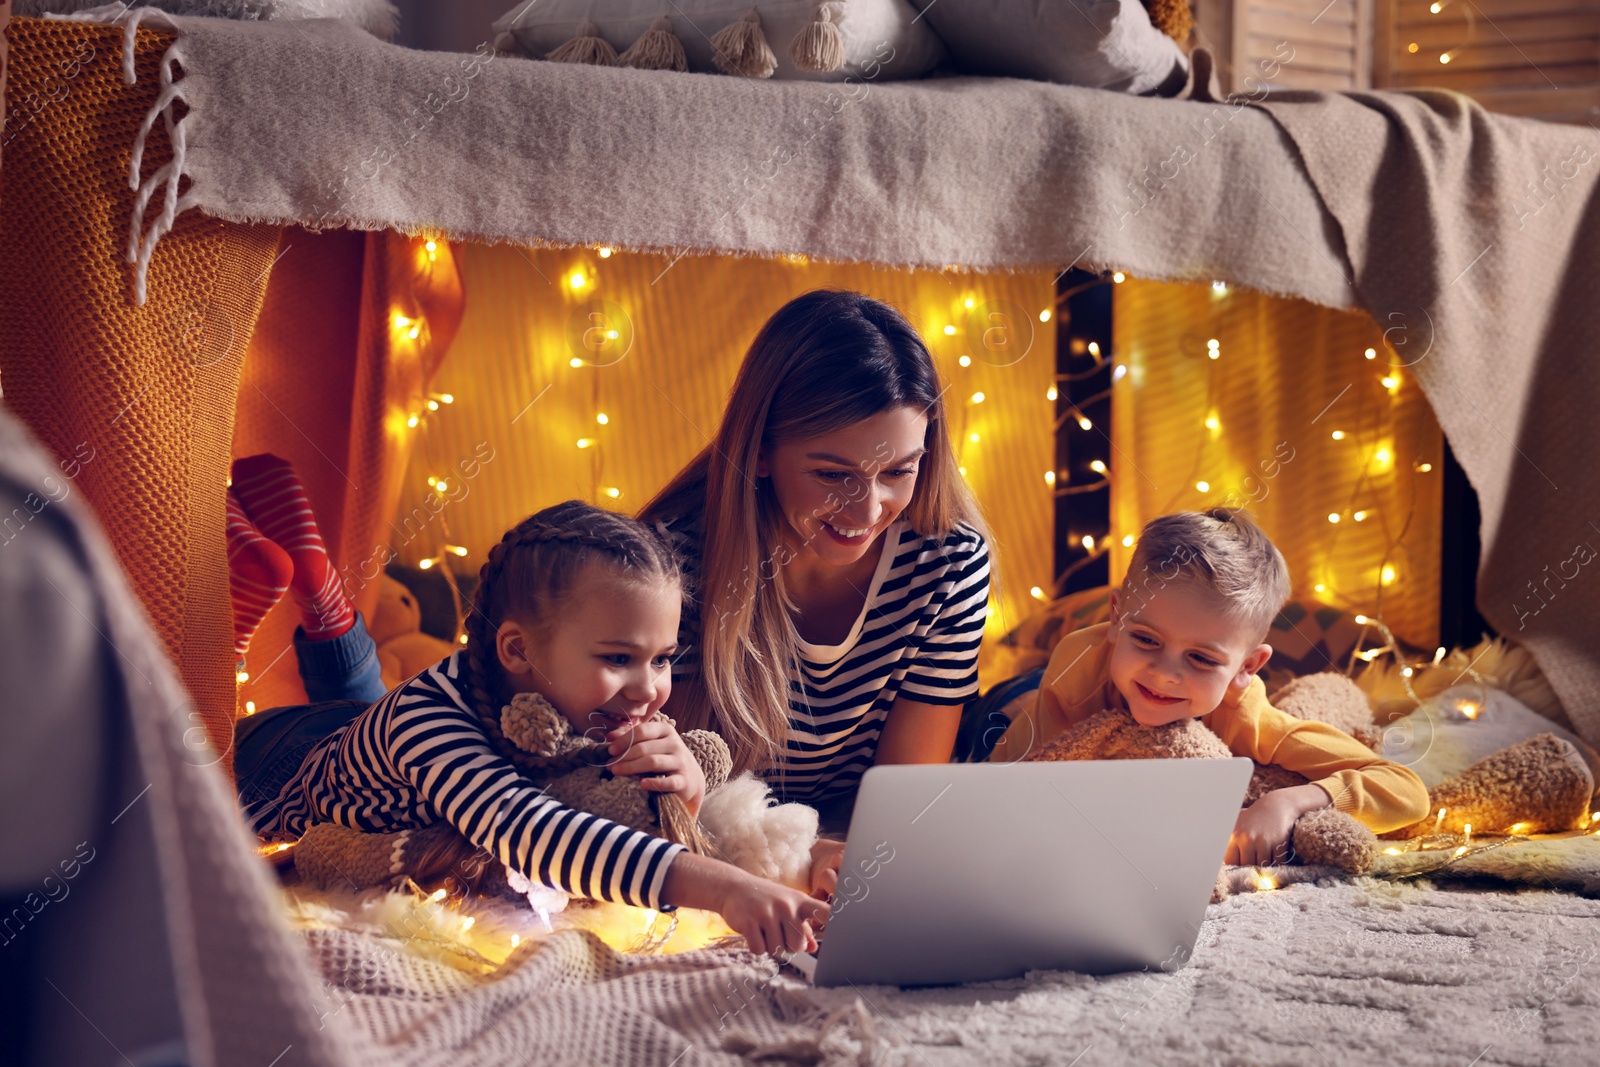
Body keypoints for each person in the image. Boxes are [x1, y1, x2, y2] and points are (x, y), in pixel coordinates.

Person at [235, 493, 827, 956]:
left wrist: (685, 797)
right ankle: (317, 610)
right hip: (279, 761)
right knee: (368, 717)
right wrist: (725, 887)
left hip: (382, 747)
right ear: (517, 651)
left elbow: (610, 809)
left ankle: (326, 601)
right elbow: (537, 834)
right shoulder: (428, 723)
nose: (649, 691)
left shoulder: (579, 705)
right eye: (618, 659)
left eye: (662, 659)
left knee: (367, 711)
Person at [637, 289, 994, 896]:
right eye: (833, 474)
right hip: (727, 841)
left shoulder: (949, 562)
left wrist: (859, 855)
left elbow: (904, 799)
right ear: (762, 453)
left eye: (898, 471)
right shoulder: (672, 566)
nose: (868, 507)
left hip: (850, 837)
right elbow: (673, 795)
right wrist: (799, 856)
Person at [989, 509, 1430, 865]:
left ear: (1247, 667)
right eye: (1145, 639)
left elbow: (1404, 789)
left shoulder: (1245, 714)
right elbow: (1027, 782)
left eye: (1201, 659)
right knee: (992, 720)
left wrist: (1287, 802)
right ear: (1117, 618)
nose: (1163, 674)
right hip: (1016, 701)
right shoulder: (1077, 670)